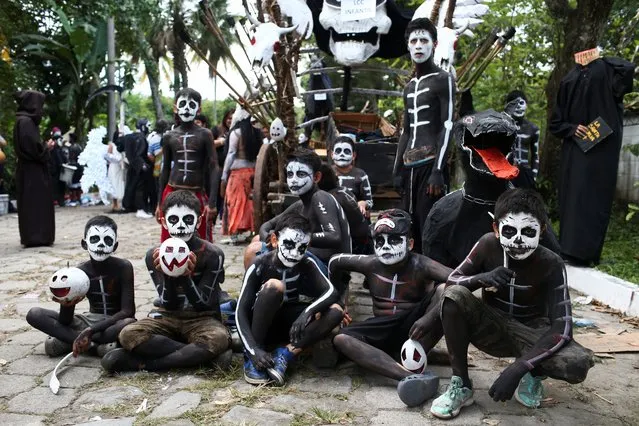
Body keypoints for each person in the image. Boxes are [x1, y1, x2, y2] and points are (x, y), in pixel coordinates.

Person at [430, 189, 594, 419]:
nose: (518, 240)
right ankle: (461, 384)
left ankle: (533, 375)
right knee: (453, 296)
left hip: (531, 333)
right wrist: (481, 279)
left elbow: (563, 328)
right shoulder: (487, 245)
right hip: (492, 326)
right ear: (496, 229)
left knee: (577, 363)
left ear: (542, 230)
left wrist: (520, 368)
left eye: (528, 231)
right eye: (509, 230)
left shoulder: (551, 263)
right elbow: (452, 281)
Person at [330, 209, 452, 407]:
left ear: (410, 243)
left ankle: (420, 353)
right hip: (382, 329)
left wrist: (428, 319)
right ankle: (407, 376)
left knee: (444, 291)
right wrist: (336, 300)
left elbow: (458, 280)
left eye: (394, 241)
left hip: (415, 329)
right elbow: (335, 262)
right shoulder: (370, 263)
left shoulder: (421, 264)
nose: (386, 247)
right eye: (380, 241)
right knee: (342, 339)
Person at [102, 190, 230, 372]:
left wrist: (185, 278)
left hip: (203, 319)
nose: (180, 226)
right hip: (168, 317)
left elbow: (203, 305)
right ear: (163, 222)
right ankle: (200, 357)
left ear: (198, 221)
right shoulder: (153, 256)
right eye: (173, 220)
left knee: (218, 338)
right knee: (128, 334)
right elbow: (168, 304)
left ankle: (148, 364)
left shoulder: (212, 254)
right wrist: (170, 276)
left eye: (187, 219)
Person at [237, 211, 344, 385]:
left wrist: (307, 312)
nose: (294, 253)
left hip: (292, 327)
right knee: (274, 286)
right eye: (288, 244)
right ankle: (253, 359)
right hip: (262, 324)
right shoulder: (260, 264)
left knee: (336, 311)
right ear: (274, 240)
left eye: (301, 248)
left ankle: (285, 354)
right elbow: (240, 311)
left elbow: (331, 292)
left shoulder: (307, 263)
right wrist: (253, 350)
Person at [549, 50, 634, 266]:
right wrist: (571, 128)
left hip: (602, 147)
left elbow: (627, 69)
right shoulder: (569, 79)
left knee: (595, 198)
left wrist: (602, 58)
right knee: (573, 197)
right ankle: (568, 250)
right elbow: (556, 123)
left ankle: (587, 254)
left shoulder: (606, 71)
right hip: (577, 148)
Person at [26, 215, 136, 357]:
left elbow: (128, 311)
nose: (101, 244)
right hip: (87, 320)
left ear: (115, 246)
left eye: (107, 240)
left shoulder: (124, 267)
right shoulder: (79, 272)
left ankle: (74, 340)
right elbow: (66, 320)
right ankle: (93, 347)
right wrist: (66, 305)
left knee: (128, 323)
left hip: (113, 323)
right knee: (35, 314)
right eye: (95, 239)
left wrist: (91, 331)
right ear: (84, 244)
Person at [393, 18, 455, 254]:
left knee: (432, 224)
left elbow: (447, 125)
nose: (418, 45)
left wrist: (438, 171)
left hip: (431, 166)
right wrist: (397, 169)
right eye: (414, 41)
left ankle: (434, 283)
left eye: (424, 40)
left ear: (434, 45)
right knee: (410, 225)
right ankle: (412, 280)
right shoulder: (408, 88)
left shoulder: (443, 79)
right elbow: (406, 131)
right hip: (410, 168)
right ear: (408, 46)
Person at [245, 148, 351, 271]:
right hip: (309, 258)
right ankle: (260, 284)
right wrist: (271, 238)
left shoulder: (320, 197)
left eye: (301, 174)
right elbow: (266, 226)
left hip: (326, 268)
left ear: (316, 177)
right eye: (290, 174)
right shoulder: (301, 204)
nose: (294, 180)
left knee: (253, 250)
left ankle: (256, 286)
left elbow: (334, 236)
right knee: (257, 239)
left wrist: (297, 238)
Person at [157, 88, 221, 242]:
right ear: (175, 108)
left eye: (191, 105)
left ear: (198, 109)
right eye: (183, 104)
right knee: (171, 239)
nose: (186, 109)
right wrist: (159, 203)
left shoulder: (205, 134)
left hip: (196, 193)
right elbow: (165, 169)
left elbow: (214, 167)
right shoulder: (169, 136)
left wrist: (212, 203)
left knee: (200, 241)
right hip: (172, 192)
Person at [13, 90, 55, 247]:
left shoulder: (23, 121)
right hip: (32, 172)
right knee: (35, 204)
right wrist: (46, 147)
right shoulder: (25, 122)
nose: (41, 109)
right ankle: (37, 237)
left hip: (30, 170)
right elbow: (32, 149)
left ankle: (36, 236)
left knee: (33, 204)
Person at [220, 109, 262, 244]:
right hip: (253, 172)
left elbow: (231, 153)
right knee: (250, 203)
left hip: (237, 173)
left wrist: (224, 176)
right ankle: (249, 230)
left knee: (235, 203)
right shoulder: (256, 133)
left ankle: (236, 232)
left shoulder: (236, 133)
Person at [504, 91, 539, 189]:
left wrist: (534, 176)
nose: (518, 107)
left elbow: (535, 156)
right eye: (514, 103)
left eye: (521, 103)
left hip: (525, 173)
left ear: (526, 105)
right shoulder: (502, 127)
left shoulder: (533, 129)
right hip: (505, 172)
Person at [331, 135, 373, 217]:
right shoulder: (325, 173)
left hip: (353, 217)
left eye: (346, 152)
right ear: (332, 155)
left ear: (353, 156)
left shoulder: (361, 175)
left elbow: (370, 202)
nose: (342, 155)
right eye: (338, 151)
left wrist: (363, 203)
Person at [123, 118, 153, 218]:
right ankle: (140, 209)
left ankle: (135, 207)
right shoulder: (141, 138)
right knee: (140, 189)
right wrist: (143, 165)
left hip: (133, 167)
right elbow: (139, 154)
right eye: (148, 126)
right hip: (140, 168)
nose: (149, 128)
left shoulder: (130, 137)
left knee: (133, 187)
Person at [147, 120, 171, 214]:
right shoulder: (169, 136)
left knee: (159, 189)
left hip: (158, 168)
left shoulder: (152, 139)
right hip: (170, 168)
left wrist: (157, 162)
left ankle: (160, 207)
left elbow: (149, 154)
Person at [105, 131, 126, 213]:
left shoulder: (122, 145)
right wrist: (116, 158)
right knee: (113, 183)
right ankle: (114, 203)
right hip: (113, 166)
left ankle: (118, 203)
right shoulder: (111, 145)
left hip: (119, 167)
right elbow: (107, 155)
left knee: (119, 183)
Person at [48, 127, 66, 207]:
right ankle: (54, 200)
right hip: (53, 168)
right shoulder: (51, 144)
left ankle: (61, 200)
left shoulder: (60, 145)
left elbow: (62, 155)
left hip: (61, 168)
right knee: (54, 185)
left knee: (61, 184)